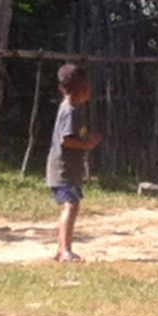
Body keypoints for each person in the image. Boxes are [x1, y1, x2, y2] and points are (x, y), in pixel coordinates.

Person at [45, 63, 102, 262]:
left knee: (72, 205)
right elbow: (67, 140)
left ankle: (62, 248)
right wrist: (88, 144)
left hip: (68, 169)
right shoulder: (69, 110)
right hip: (63, 169)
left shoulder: (73, 109)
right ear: (84, 90)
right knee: (70, 206)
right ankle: (65, 250)